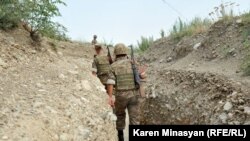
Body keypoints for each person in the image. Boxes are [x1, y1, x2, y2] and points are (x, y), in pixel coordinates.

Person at [109, 43, 146, 141]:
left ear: (116, 53)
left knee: (120, 116)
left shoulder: (113, 66)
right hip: (134, 95)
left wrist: (110, 97)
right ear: (125, 52)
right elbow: (143, 76)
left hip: (120, 96)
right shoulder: (133, 63)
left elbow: (111, 83)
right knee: (134, 119)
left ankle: (121, 138)